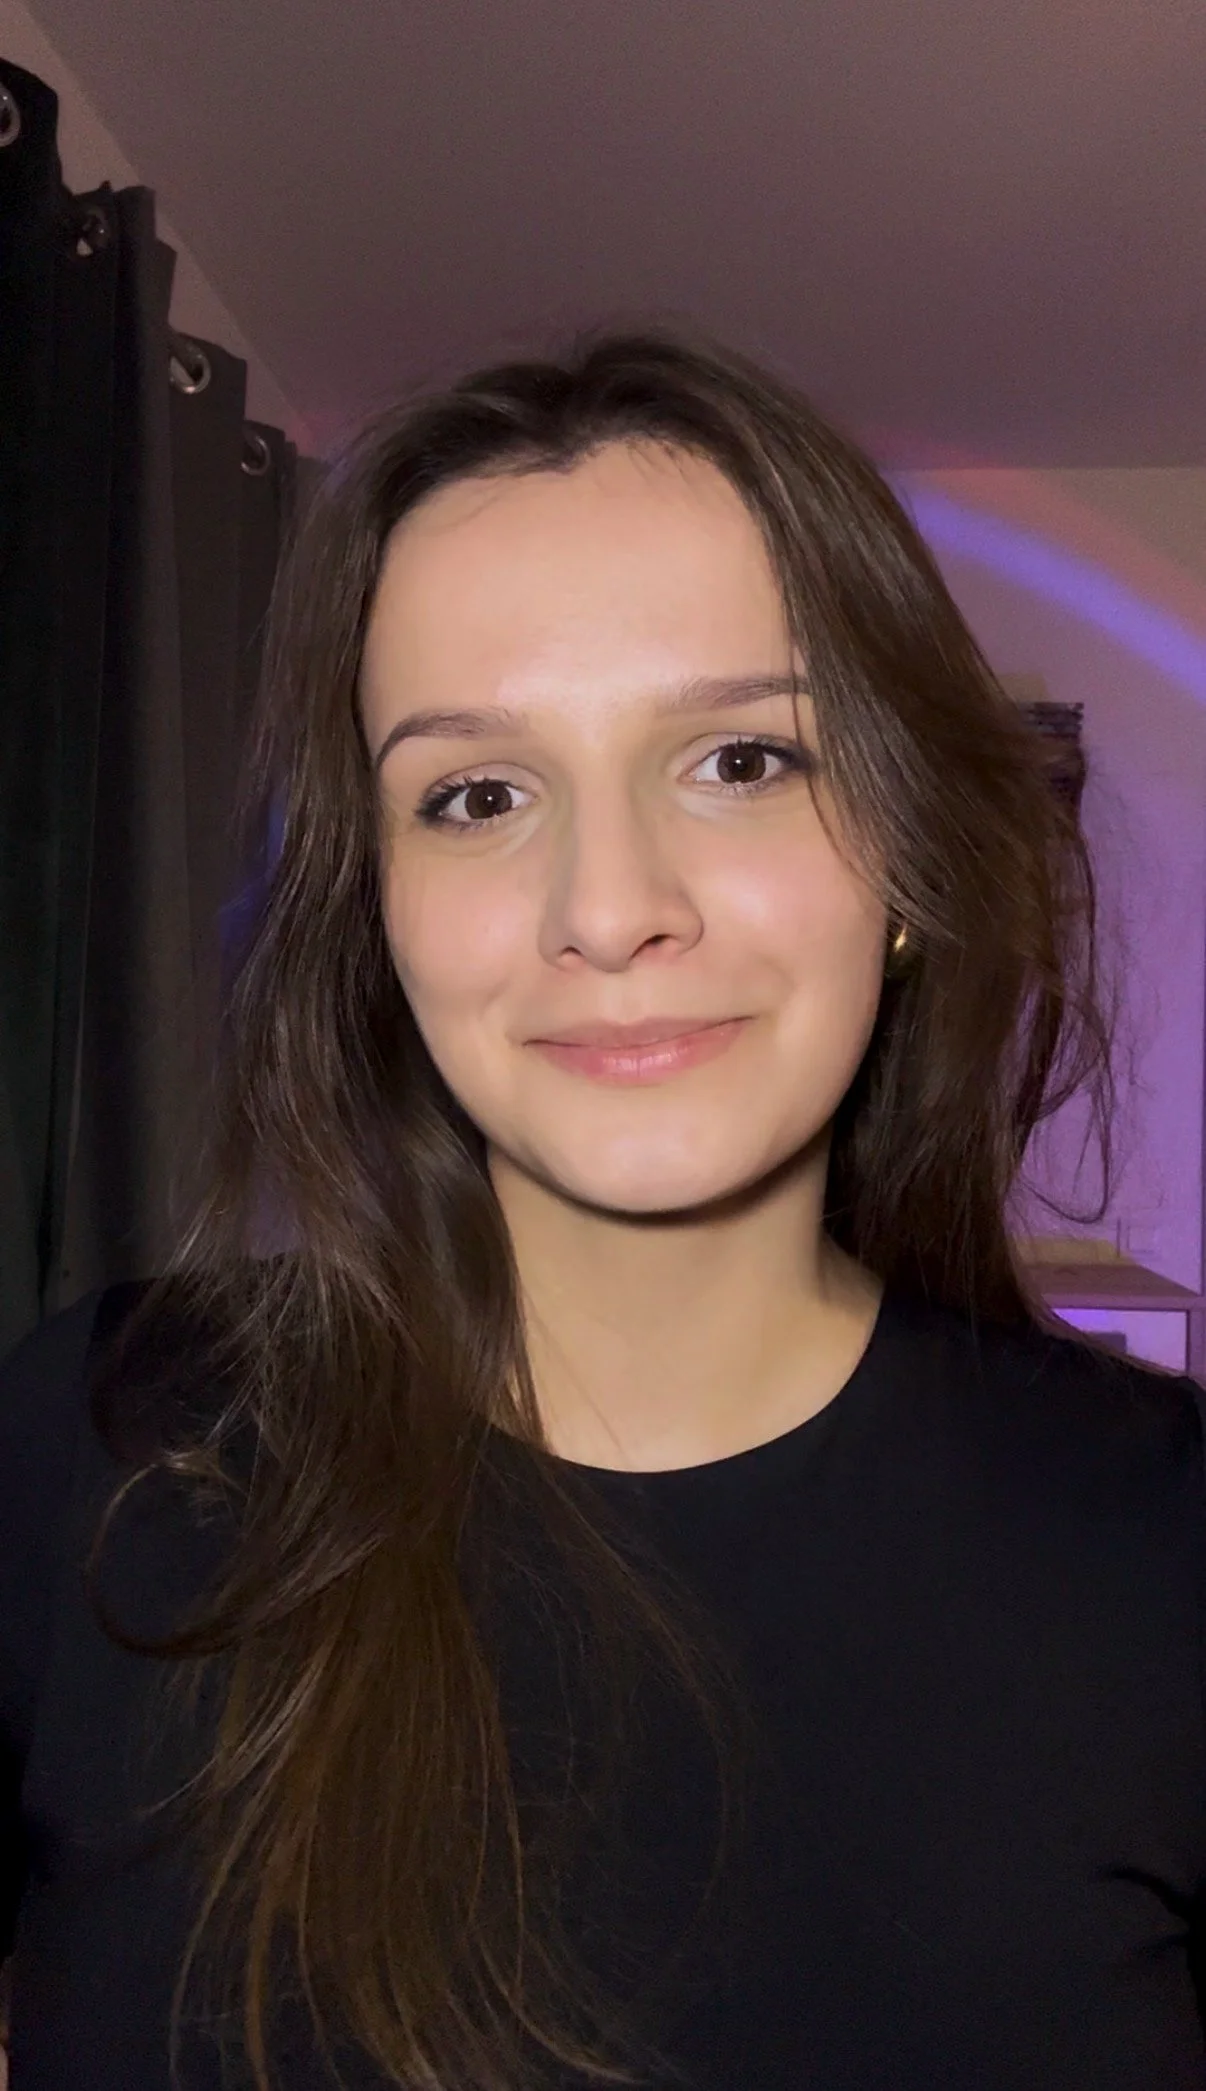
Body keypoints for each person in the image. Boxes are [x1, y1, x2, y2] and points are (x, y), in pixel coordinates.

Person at [1, 323, 1204, 2091]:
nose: (609, 904)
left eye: (741, 760)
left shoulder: (1163, 1549)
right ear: (376, 911)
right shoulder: (95, 1446)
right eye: (477, 794)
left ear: (904, 861)